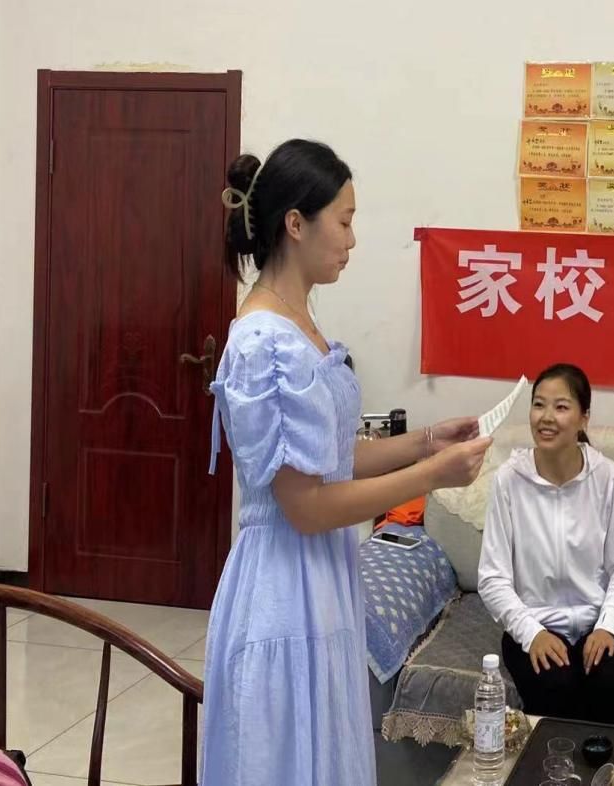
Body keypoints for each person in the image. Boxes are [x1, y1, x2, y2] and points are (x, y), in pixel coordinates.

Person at [201, 139, 492, 786]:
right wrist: (431, 477)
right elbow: (305, 507)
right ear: (295, 224)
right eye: (344, 220)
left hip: (323, 582)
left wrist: (426, 442)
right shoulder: (261, 343)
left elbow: (331, 461)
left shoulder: (301, 325)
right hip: (283, 589)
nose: (352, 240)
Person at [477, 364, 614, 725]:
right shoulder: (509, 480)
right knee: (556, 686)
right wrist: (531, 633)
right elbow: (492, 579)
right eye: (538, 405)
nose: (546, 417)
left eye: (561, 407)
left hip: (595, 620)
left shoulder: (605, 476)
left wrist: (608, 624)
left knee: (612, 682)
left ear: (584, 418)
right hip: (535, 623)